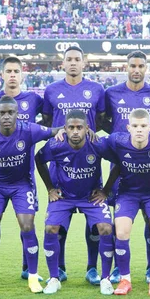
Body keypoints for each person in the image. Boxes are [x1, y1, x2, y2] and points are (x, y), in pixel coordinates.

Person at [0, 95, 62, 294]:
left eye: (11, 113)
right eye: (2, 113)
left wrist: (77, 129)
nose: (6, 117)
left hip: (22, 185)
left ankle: (33, 277)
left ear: (17, 114)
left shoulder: (29, 130)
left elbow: (54, 131)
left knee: (27, 225)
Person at [104, 50, 150, 283]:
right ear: (126, 67)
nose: (136, 69)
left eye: (141, 66)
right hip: (121, 160)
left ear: (146, 68)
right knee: (118, 219)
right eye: (132, 65)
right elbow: (103, 119)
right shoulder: (111, 93)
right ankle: (117, 268)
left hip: (149, 159)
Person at [42, 46, 106, 285]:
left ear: (84, 62)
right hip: (61, 166)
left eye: (77, 59)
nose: (72, 63)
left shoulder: (96, 89)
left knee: (94, 221)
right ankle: (59, 268)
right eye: (68, 59)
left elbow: (99, 121)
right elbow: (48, 122)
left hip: (89, 163)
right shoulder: (51, 90)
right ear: (62, 63)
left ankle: (92, 268)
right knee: (58, 221)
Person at [96, 108, 150, 296]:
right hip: (128, 194)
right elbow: (92, 141)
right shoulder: (117, 140)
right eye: (135, 126)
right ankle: (125, 279)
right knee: (122, 231)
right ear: (128, 128)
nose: (139, 130)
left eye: (143, 126)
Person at [35, 110, 114, 295]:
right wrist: (50, 189)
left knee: (106, 228)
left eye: (80, 127)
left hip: (90, 196)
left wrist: (105, 191)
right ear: (65, 129)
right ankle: (54, 277)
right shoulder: (56, 144)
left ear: (87, 128)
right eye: (71, 128)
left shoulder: (97, 144)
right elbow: (38, 160)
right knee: (51, 228)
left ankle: (105, 279)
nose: (76, 131)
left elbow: (118, 162)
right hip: (64, 196)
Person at [0, 56, 44, 281]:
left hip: (25, 175)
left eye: (16, 71)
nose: (12, 75)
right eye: (8, 71)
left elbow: (46, 122)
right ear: (1, 74)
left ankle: (28, 268)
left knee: (26, 222)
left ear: (22, 74)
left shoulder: (33, 99)